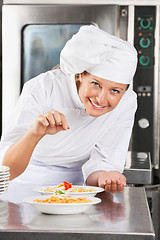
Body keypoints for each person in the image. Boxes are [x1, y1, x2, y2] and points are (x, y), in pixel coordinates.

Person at [0, 25, 137, 194]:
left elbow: (104, 160)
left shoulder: (126, 102)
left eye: (115, 90)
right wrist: (35, 133)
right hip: (22, 183)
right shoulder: (43, 87)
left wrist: (106, 177)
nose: (101, 99)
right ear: (80, 75)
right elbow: (7, 170)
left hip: (75, 190)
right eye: (95, 84)